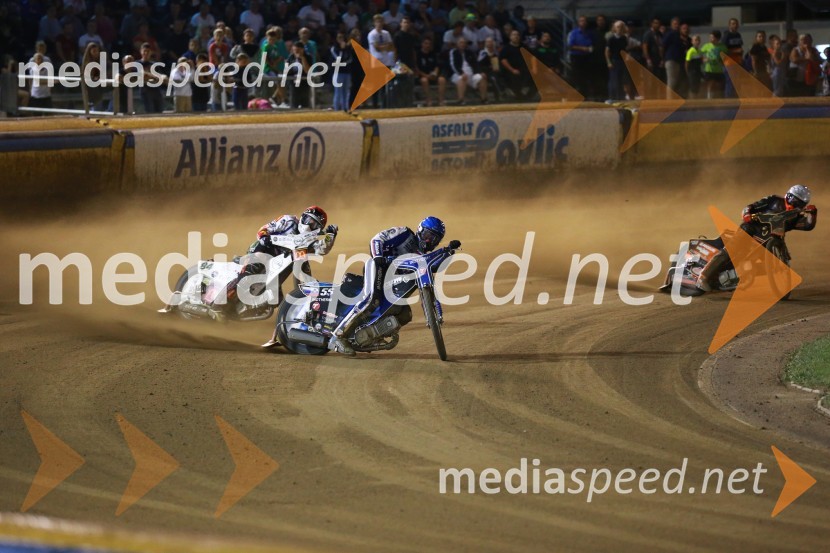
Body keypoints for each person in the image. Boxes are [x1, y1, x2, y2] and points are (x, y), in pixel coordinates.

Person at [329, 217, 446, 355]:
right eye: (428, 236)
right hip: (378, 267)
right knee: (372, 299)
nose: (429, 241)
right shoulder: (405, 234)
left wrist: (448, 251)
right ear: (420, 230)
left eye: (434, 240)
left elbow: (433, 267)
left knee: (404, 314)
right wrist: (378, 257)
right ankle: (337, 337)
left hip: (391, 282)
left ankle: (369, 336)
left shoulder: (421, 256)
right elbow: (377, 239)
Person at [222, 206, 337, 347]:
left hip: (284, 260)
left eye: (314, 225)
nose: (308, 225)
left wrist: (330, 236)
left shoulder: (310, 239)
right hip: (265, 248)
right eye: (308, 220)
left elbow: (322, 249)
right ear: (302, 217)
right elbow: (264, 229)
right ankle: (221, 301)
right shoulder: (288, 220)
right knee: (253, 268)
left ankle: (279, 331)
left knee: (277, 299)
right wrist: (264, 237)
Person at [697, 185, 817, 292]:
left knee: (766, 265)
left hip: (772, 239)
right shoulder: (773, 200)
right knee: (732, 249)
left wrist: (812, 214)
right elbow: (750, 207)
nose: (795, 204)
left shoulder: (795, 216)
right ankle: (703, 276)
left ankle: (740, 276)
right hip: (751, 229)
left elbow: (807, 225)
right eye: (794, 200)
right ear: (788, 196)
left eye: (800, 203)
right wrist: (747, 215)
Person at [449, 37, 488, 105]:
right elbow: (453, 65)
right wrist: (461, 73)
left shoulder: (470, 52)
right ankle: (461, 100)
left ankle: (483, 99)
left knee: (482, 78)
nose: (462, 44)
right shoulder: (453, 52)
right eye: (461, 43)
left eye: (464, 43)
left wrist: (480, 72)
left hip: (471, 74)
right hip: (457, 74)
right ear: (457, 44)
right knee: (462, 79)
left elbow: (475, 64)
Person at [567, 16, 593, 98]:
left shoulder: (589, 33)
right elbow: (570, 46)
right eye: (581, 21)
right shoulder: (573, 33)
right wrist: (582, 48)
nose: (583, 22)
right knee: (575, 76)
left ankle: (584, 95)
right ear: (578, 23)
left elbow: (591, 44)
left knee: (585, 77)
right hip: (576, 57)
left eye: (584, 21)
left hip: (586, 57)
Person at [416, 37, 446, 106]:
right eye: (426, 43)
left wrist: (434, 74)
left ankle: (441, 100)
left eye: (429, 44)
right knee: (424, 80)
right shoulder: (418, 55)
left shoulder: (433, 54)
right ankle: (428, 99)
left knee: (442, 79)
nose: (428, 45)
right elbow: (417, 69)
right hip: (423, 76)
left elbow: (437, 66)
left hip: (432, 75)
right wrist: (427, 76)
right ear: (422, 44)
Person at [701, 30, 727, 99]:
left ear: (717, 38)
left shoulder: (722, 47)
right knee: (710, 83)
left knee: (720, 84)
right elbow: (700, 54)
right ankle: (709, 97)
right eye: (710, 37)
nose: (710, 39)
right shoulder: (706, 46)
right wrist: (703, 59)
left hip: (719, 69)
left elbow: (725, 56)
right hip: (709, 68)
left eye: (712, 37)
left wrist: (722, 60)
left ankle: (719, 97)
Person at [685, 34, 703, 99]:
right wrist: (687, 72)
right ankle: (692, 102)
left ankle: (696, 101)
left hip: (698, 71)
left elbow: (701, 61)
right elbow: (687, 62)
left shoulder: (699, 51)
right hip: (692, 72)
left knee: (697, 87)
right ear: (692, 42)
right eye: (695, 40)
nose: (697, 42)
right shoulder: (691, 51)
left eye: (698, 40)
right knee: (692, 88)